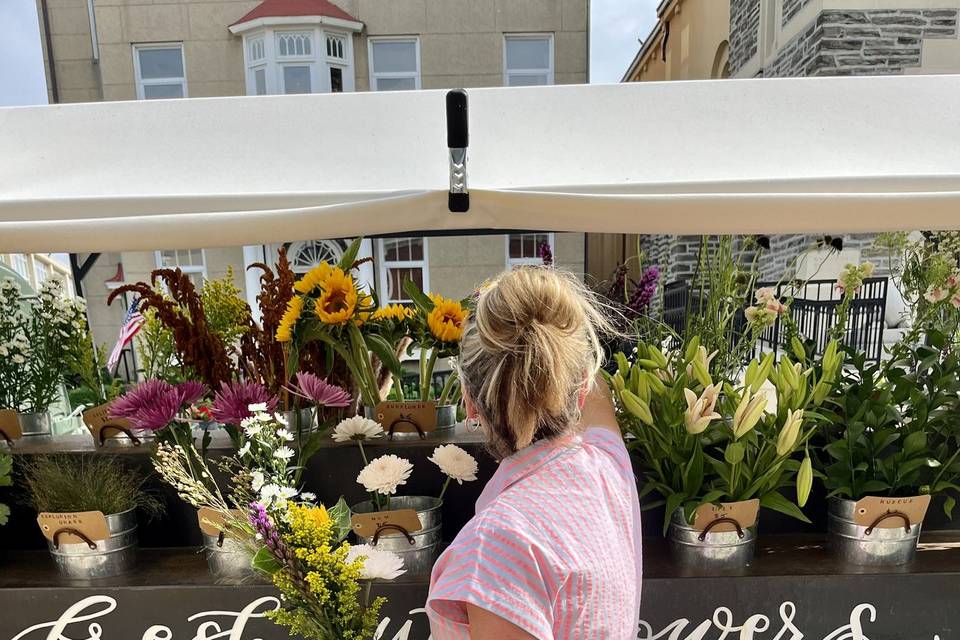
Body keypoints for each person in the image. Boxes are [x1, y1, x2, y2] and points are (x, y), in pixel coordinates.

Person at [427, 266, 643, 640]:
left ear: (469, 405)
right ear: (579, 389)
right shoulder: (608, 469)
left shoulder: (494, 547)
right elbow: (596, 395)